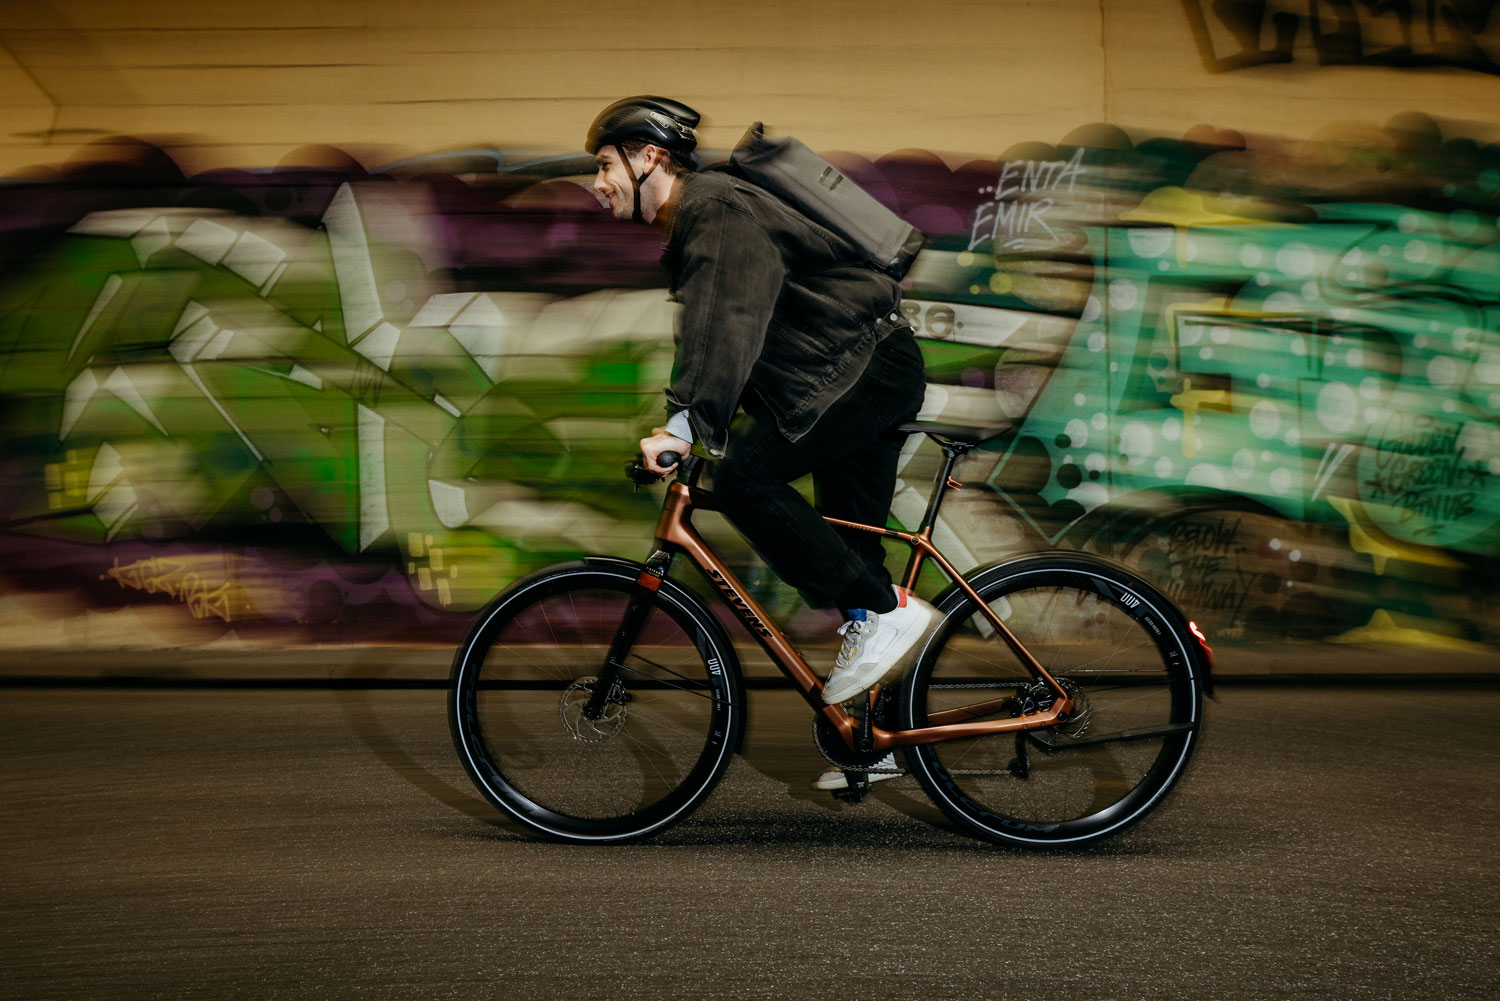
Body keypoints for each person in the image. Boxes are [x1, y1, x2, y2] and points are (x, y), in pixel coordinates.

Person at [586, 96, 937, 787]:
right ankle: (874, 739)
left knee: (746, 481)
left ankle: (890, 614)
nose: (596, 185)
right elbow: (731, 328)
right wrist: (694, 420)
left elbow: (729, 318)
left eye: (604, 166)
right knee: (852, 550)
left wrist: (686, 424)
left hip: (857, 369)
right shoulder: (707, 213)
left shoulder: (712, 207)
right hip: (861, 369)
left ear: (648, 156)